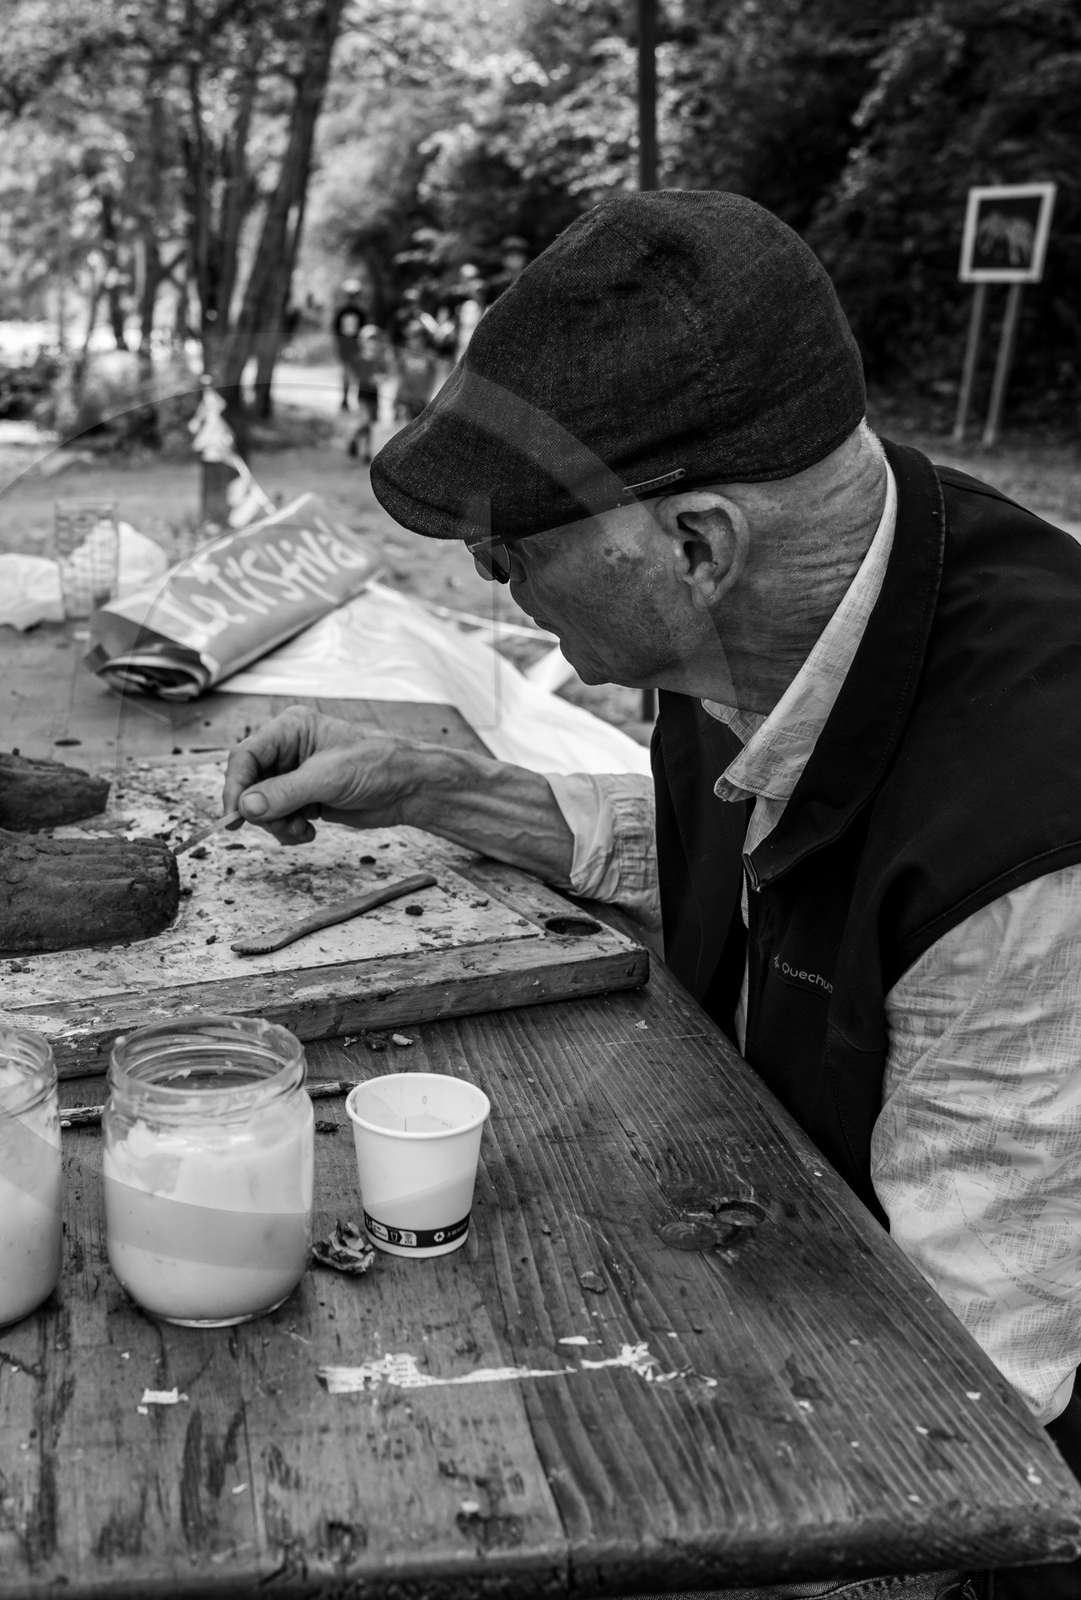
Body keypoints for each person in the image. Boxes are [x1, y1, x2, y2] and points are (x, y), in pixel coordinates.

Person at [222, 190, 1081, 1600]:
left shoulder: (1033, 845)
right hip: (784, 1272)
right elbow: (730, 839)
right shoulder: (776, 612)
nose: (493, 581)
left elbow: (955, 1444)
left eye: (513, 548)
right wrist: (436, 786)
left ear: (690, 546)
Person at [346, 321, 387, 460]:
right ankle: (354, 439)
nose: (373, 344)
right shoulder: (358, 359)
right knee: (365, 421)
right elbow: (354, 375)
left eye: (375, 341)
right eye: (370, 341)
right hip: (362, 393)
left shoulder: (379, 360)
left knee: (370, 425)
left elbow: (385, 374)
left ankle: (367, 452)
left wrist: (379, 378)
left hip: (374, 394)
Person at [331, 278, 368, 412]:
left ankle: (352, 400)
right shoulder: (347, 311)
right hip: (347, 346)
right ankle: (346, 399)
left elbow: (364, 331)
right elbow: (336, 329)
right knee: (349, 374)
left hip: (354, 346)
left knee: (354, 374)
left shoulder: (350, 311)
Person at [392, 323, 440, 422]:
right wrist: (397, 398)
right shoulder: (404, 356)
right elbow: (401, 379)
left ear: (423, 339)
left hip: (423, 400)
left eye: (415, 338)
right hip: (408, 399)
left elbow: (435, 378)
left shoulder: (430, 356)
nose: (411, 341)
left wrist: (430, 395)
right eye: (410, 338)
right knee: (409, 427)